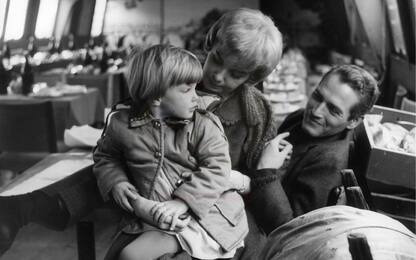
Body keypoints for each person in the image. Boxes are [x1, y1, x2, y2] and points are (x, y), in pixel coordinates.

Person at [0, 8, 283, 259]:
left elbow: (251, 179)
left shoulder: (255, 113)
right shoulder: (175, 71)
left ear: (252, 78)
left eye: (235, 74)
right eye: (217, 59)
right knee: (105, 165)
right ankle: (29, 208)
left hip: (208, 200)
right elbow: (131, 127)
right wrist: (118, 180)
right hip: (146, 177)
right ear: (210, 45)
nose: (219, 76)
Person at [93, 44, 248, 260]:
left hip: (204, 215)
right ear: (156, 97)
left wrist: (183, 202)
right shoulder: (121, 124)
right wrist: (116, 182)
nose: (196, 96)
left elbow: (218, 168)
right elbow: (106, 156)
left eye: (195, 87)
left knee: (132, 255)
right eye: (187, 90)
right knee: (123, 254)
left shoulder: (203, 124)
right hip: (153, 214)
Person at [247, 64, 380, 234]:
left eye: (333, 110)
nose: (316, 111)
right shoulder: (299, 118)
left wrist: (266, 171)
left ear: (353, 121)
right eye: (317, 96)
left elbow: (290, 231)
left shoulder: (329, 163)